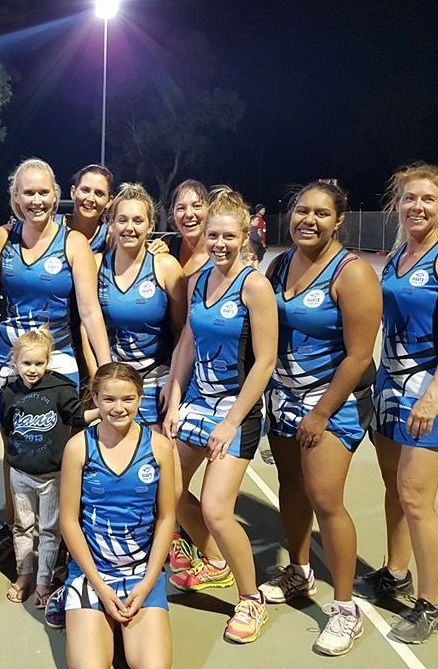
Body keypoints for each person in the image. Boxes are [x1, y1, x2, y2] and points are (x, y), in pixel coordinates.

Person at [354, 163, 438, 644]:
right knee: (393, 488)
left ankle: (430, 604)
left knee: (417, 499)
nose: (417, 206)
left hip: (429, 391)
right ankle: (395, 573)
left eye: (428, 199)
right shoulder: (400, 254)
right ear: (397, 204)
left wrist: (433, 393)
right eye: (409, 199)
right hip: (389, 386)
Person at [258, 180, 381, 656]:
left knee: (326, 498)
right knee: (292, 485)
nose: (308, 220)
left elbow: (358, 355)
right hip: (285, 397)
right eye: (301, 211)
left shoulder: (352, 274)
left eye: (321, 213)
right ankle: (300, 571)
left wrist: (321, 412)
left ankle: (346, 609)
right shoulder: (280, 264)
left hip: (334, 402)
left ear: (339, 220)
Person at [0, 158, 112, 567]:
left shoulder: (73, 243)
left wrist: (107, 371)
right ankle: (14, 528)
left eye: (43, 192)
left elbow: (89, 312)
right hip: (11, 361)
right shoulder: (4, 237)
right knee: (16, 450)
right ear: (15, 197)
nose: (36, 200)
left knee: (64, 452)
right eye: (27, 193)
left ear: (56, 194)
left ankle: (66, 541)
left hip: (58, 362)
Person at [162, 189, 278, 644]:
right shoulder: (198, 279)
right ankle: (213, 561)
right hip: (195, 402)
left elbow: (265, 362)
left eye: (229, 236)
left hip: (237, 410)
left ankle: (251, 598)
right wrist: (173, 400)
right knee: (166, 490)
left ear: (244, 234)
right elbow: (187, 343)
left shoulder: (255, 286)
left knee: (214, 508)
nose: (219, 244)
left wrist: (231, 422)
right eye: (213, 235)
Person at [59, 363, 176, 669]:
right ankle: (74, 602)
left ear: (140, 398)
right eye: (109, 399)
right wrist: (99, 585)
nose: (119, 408)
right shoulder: (78, 448)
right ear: (94, 399)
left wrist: (148, 583)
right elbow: (69, 521)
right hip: (90, 575)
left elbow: (166, 518)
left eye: (128, 399)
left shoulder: (161, 448)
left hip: (141, 575)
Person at [0, 327, 97, 606]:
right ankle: (24, 574)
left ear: (48, 361)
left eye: (39, 363)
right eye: (26, 363)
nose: (32, 370)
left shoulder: (61, 389)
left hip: (52, 475)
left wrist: (103, 410)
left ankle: (44, 580)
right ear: (15, 362)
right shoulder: (8, 392)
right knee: (22, 525)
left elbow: (77, 417)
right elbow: (6, 427)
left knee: (50, 529)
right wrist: (15, 457)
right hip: (20, 473)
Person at [97, 183, 187, 427]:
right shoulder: (96, 265)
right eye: (122, 220)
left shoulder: (165, 266)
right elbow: (88, 325)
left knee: (155, 459)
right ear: (111, 223)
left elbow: (182, 332)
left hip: (157, 380)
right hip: (115, 383)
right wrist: (102, 378)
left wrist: (174, 383)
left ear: (150, 225)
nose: (129, 228)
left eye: (138, 220)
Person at [163, 179, 212, 277]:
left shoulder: (220, 252)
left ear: (209, 210)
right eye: (181, 208)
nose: (189, 214)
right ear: (173, 214)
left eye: (197, 206)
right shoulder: (166, 246)